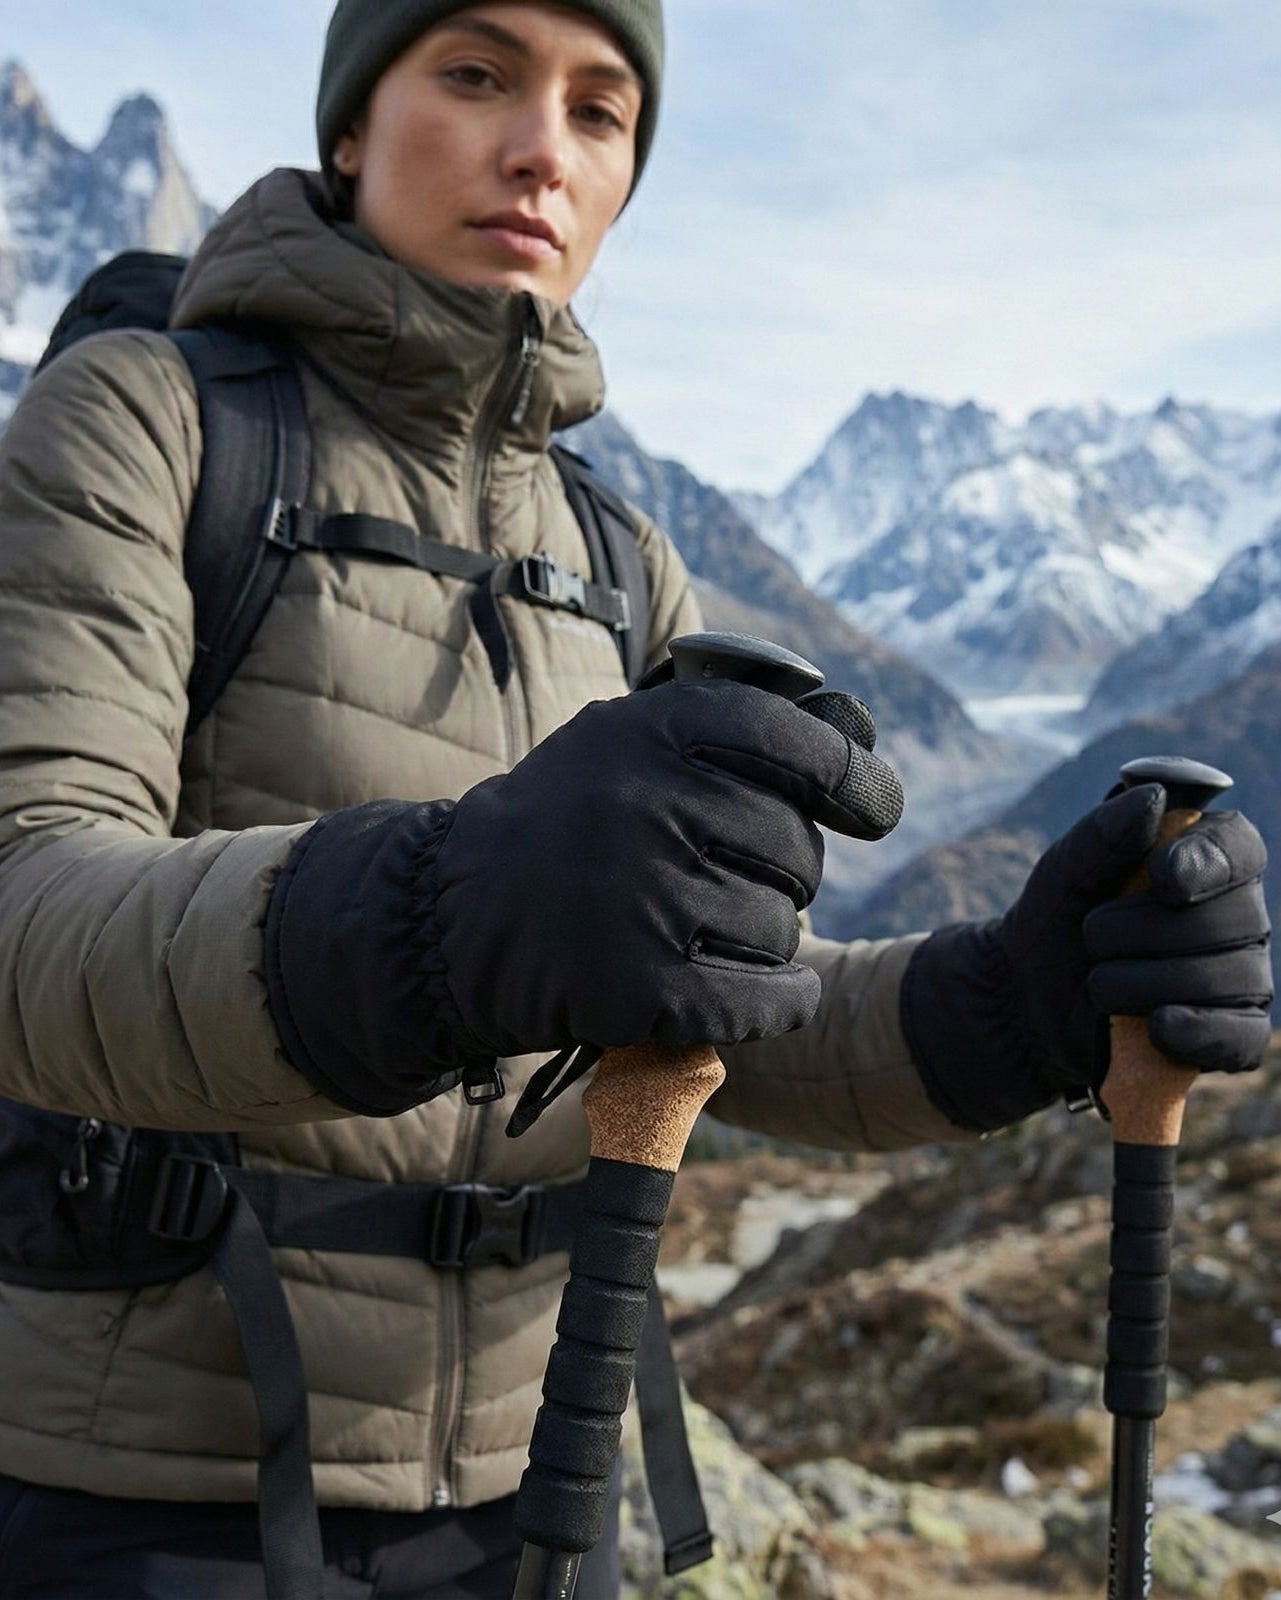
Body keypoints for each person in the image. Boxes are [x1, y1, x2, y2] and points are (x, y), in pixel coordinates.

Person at [0, 1, 1270, 1595]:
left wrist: (1012, 1007)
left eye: (602, 113)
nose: (542, 146)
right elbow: (27, 907)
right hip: (147, 1490)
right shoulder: (145, 424)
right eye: (474, 75)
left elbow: (714, 1007)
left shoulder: (617, 560)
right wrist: (438, 918)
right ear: (346, 126)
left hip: (540, 1483)